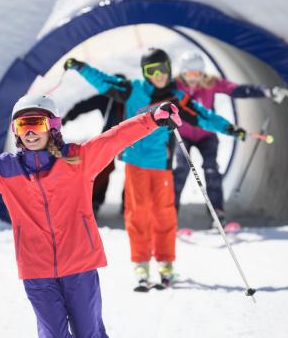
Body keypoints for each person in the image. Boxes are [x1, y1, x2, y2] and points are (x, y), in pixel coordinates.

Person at [0, 93, 182, 337]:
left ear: (52, 127)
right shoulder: (5, 170)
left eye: (36, 123)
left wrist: (151, 119)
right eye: (23, 125)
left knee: (89, 332)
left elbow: (114, 138)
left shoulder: (77, 160)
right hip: (37, 269)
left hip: (80, 264)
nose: (30, 132)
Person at [63, 48, 246, 289]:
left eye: (163, 69)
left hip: (162, 164)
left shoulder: (176, 97)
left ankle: (165, 262)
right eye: (152, 70)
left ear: (170, 70)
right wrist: (80, 67)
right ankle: (141, 262)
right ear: (145, 72)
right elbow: (104, 80)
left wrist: (229, 128)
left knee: (164, 213)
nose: (159, 75)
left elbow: (203, 116)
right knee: (137, 214)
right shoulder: (132, 89)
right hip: (136, 163)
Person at [174, 51, 288, 227]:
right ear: (182, 73)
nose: (193, 78)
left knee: (211, 170)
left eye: (197, 73)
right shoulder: (175, 87)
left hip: (207, 135)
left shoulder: (210, 83)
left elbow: (237, 90)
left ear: (202, 73)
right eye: (189, 74)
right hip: (184, 134)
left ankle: (217, 212)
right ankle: (170, 211)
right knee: (181, 170)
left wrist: (266, 91)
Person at [62, 75, 126, 215]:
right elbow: (85, 105)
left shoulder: (132, 98)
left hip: (132, 137)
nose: (118, 92)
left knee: (135, 167)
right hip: (110, 137)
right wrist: (68, 116)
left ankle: (128, 202)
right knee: (103, 167)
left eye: (121, 87)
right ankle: (95, 201)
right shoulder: (106, 98)